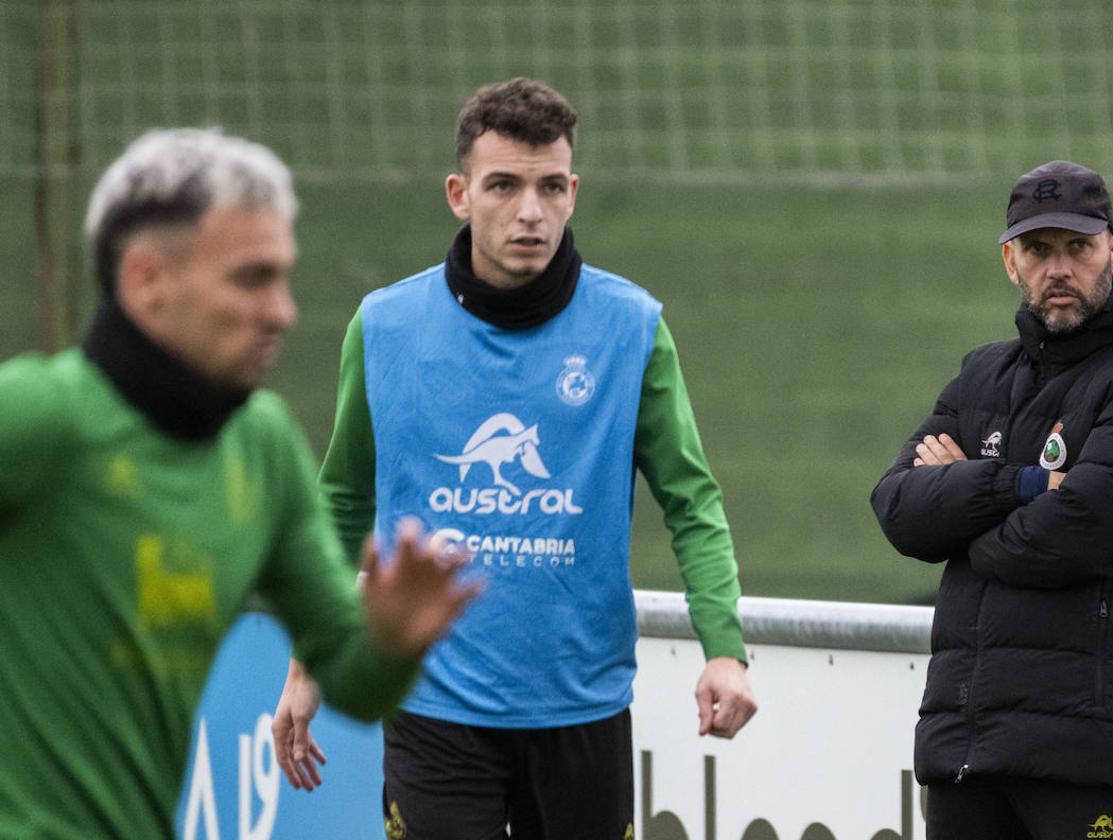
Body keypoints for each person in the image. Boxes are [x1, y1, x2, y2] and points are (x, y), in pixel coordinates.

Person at [272, 77, 757, 838]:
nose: (529, 211)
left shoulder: (632, 329)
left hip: (582, 710)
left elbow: (691, 502)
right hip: (432, 707)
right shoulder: (385, 327)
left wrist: (725, 651)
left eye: (549, 186)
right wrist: (307, 662)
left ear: (573, 191)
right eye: (504, 186)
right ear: (459, 194)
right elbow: (340, 503)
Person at [0, 128, 477, 839]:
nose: (283, 310)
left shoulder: (262, 446)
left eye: (283, 277)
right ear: (146, 280)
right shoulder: (41, 419)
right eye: (251, 278)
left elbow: (348, 675)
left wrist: (392, 644)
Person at [871, 160, 1113, 840]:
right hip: (968, 754)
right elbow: (898, 505)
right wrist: (1019, 485)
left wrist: (966, 527)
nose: (1058, 268)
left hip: (1089, 760)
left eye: (1077, 248)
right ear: (1009, 261)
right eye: (1038, 250)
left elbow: (1082, 526)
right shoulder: (983, 373)